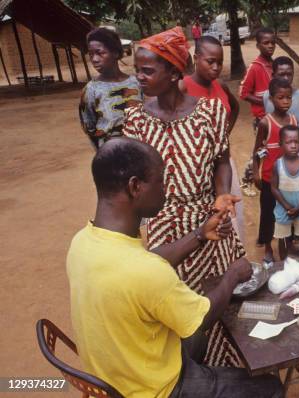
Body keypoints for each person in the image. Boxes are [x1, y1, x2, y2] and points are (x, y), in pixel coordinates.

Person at [67, 138, 284, 398]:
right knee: (270, 388)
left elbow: (145, 260)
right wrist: (232, 275)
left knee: (195, 342)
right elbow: (200, 319)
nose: (166, 189)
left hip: (114, 376)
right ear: (135, 186)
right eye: (159, 180)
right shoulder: (147, 272)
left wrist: (200, 235)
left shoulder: (84, 241)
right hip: (155, 390)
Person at [123, 27, 244, 367]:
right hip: (163, 228)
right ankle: (187, 375)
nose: (140, 76)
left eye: (148, 70)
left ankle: (223, 372)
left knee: (218, 303)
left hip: (210, 221)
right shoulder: (136, 121)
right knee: (174, 313)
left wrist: (222, 194)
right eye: (138, 69)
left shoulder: (210, 113)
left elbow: (221, 159)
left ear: (174, 72)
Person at [180, 35, 245, 241]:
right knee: (204, 220)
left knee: (229, 216)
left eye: (220, 62)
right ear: (196, 58)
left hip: (224, 163)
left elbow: (234, 108)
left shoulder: (221, 86)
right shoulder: (183, 88)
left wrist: (223, 136)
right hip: (196, 169)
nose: (216, 67)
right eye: (210, 61)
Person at [252, 78, 298, 263]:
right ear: (271, 99)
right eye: (281, 98)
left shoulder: (293, 120)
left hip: (289, 178)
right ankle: (268, 248)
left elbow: (296, 146)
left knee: (288, 212)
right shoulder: (265, 123)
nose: (285, 101)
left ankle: (288, 243)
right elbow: (257, 150)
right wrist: (256, 172)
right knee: (268, 214)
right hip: (270, 179)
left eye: (288, 97)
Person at [79, 27, 141, 149]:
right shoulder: (91, 89)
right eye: (91, 54)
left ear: (116, 53)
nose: (94, 59)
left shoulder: (136, 83)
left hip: (139, 149)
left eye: (100, 53)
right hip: (110, 152)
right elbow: (89, 126)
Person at [239, 27, 276, 196]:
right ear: (258, 45)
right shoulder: (255, 67)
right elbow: (243, 93)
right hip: (262, 118)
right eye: (266, 43)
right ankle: (247, 180)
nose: (270, 46)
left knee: (272, 149)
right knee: (261, 151)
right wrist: (265, 101)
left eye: (272, 42)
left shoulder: (273, 64)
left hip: (274, 117)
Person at [271, 125, 299, 259]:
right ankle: (284, 264)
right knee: (283, 239)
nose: (293, 145)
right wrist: (287, 207)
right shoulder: (278, 164)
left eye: (297, 142)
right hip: (283, 210)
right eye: (289, 142)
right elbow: (274, 188)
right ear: (280, 144)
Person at [262, 56, 299, 153]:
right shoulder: (267, 96)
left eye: (289, 74)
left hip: (298, 152)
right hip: (274, 150)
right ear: (273, 75)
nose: (286, 78)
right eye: (281, 74)